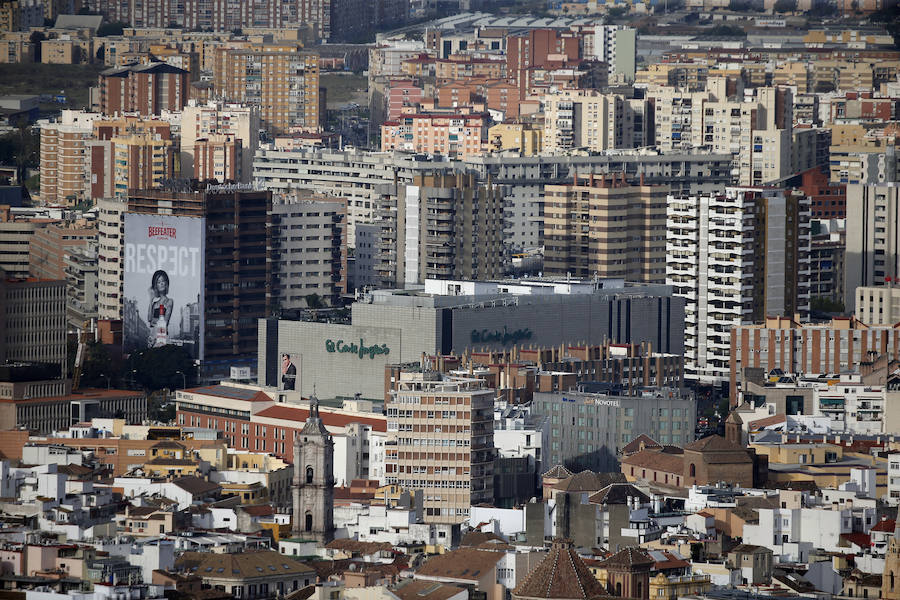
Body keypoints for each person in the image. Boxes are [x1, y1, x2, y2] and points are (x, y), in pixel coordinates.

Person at [148, 270, 174, 347]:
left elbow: (165, 322)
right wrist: (150, 300)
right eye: (158, 282)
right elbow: (149, 319)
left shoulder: (169, 301)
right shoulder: (154, 304)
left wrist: (155, 321)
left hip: (162, 337)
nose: (161, 284)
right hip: (152, 337)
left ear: (166, 283)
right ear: (156, 286)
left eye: (163, 281)